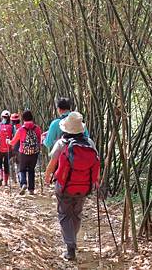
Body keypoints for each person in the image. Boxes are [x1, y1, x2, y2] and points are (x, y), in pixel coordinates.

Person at [45, 111, 100, 261]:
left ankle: (70, 248)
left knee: (64, 214)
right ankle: (72, 240)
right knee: (76, 213)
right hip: (84, 187)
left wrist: (47, 176)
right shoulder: (90, 143)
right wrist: (96, 181)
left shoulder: (62, 143)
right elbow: (95, 165)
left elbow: (52, 164)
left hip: (65, 186)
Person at [10, 110, 41, 195]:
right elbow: (39, 141)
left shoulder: (21, 129)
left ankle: (23, 183)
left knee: (22, 169)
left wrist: (8, 142)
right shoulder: (37, 128)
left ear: (23, 119)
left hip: (23, 152)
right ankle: (31, 189)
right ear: (32, 118)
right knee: (31, 170)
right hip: (34, 153)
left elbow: (13, 142)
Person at [9, 112, 21, 185]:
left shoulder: (10, 128)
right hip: (21, 149)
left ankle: (14, 179)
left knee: (11, 164)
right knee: (19, 165)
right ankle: (20, 180)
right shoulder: (22, 127)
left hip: (12, 148)